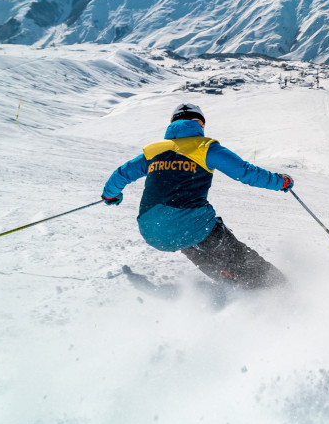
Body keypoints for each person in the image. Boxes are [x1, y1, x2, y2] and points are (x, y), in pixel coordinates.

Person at [101, 102, 292, 289]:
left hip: (153, 231)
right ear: (199, 123)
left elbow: (122, 174)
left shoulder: (153, 151)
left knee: (186, 236)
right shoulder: (205, 147)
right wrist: (280, 181)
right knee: (213, 239)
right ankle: (278, 287)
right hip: (190, 224)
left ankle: (224, 275)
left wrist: (110, 196)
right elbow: (246, 173)